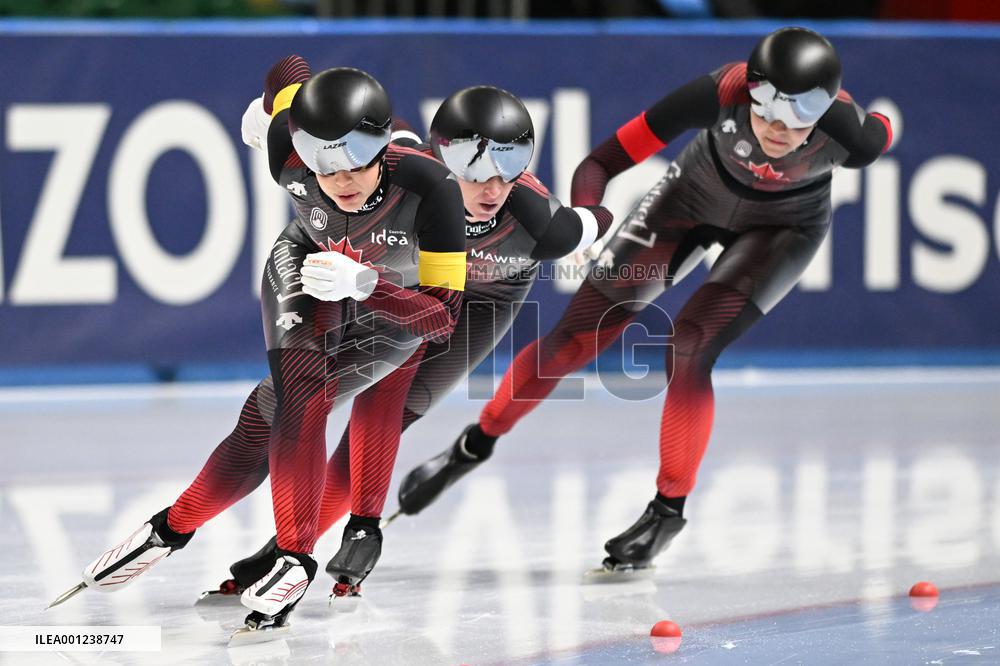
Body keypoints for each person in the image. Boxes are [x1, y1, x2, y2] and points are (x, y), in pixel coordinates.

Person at [396, 27, 893, 573]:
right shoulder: (718, 92)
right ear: (748, 93)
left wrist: (877, 124)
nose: (775, 130)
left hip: (784, 230)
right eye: (765, 112)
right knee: (574, 337)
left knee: (690, 345)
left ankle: (667, 509)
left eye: (794, 121)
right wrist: (586, 227)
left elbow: (882, 131)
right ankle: (474, 445)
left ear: (821, 116)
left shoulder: (853, 137)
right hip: (690, 196)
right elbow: (600, 164)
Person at [61, 55, 469, 636]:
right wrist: (266, 104)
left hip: (396, 299)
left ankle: (198, 533)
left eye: (355, 162)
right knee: (296, 393)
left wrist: (369, 285)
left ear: (382, 148)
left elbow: (442, 321)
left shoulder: (431, 188)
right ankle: (257, 549)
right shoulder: (286, 146)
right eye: (323, 165)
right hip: (306, 260)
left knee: (271, 410)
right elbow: (288, 70)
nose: (341, 181)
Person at [207, 85, 614, 601]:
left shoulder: (545, 226)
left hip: (491, 294)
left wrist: (593, 225)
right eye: (470, 171)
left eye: (506, 170)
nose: (490, 189)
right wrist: (273, 115)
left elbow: (598, 219)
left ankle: (288, 548)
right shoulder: (404, 168)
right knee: (380, 386)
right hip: (421, 278)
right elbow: (333, 143)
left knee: (393, 412)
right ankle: (321, 537)